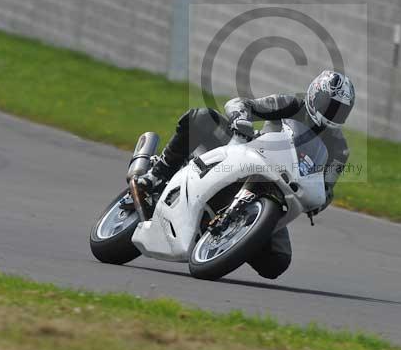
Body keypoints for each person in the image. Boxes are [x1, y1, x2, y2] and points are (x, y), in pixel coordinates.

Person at [140, 70, 355, 279]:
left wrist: (319, 200)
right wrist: (240, 118)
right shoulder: (290, 104)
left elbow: (327, 186)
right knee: (202, 117)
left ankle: (234, 237)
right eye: (330, 105)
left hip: (280, 188)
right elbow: (241, 104)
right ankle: (158, 174)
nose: (333, 113)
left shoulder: (339, 149)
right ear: (315, 94)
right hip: (246, 152)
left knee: (277, 262)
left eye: (340, 110)